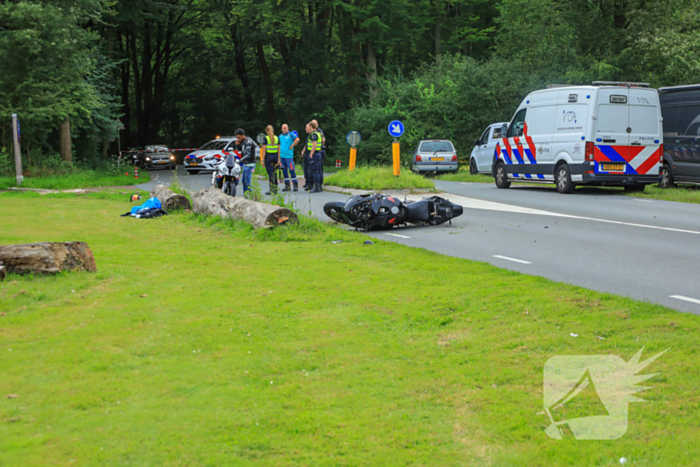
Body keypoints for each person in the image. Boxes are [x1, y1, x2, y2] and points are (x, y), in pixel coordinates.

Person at [233, 128, 256, 196]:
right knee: (243, 181)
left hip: (250, 164)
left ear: (243, 135)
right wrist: (237, 145)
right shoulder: (244, 142)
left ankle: (251, 197)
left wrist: (239, 161)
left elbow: (248, 155)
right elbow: (242, 151)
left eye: (239, 138)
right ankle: (246, 196)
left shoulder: (248, 142)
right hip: (246, 164)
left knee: (247, 182)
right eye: (237, 138)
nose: (238, 139)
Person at [278, 124, 300, 192]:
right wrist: (278, 158)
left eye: (285, 128)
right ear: (281, 129)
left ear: (288, 128)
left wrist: (292, 145)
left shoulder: (290, 134)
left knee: (291, 169)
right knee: (284, 170)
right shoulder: (280, 136)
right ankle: (287, 185)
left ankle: (295, 184)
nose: (284, 129)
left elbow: (297, 139)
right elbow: (278, 146)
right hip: (282, 156)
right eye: (283, 128)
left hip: (289, 156)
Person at [261, 125, 280, 195]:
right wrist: (279, 159)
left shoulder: (266, 138)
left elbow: (264, 150)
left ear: (266, 131)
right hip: (275, 157)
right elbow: (278, 149)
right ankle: (275, 188)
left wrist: (262, 160)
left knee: (270, 173)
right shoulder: (276, 138)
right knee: (275, 173)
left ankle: (271, 189)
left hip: (268, 157)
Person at [306, 122, 323, 193]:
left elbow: (314, 145)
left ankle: (316, 187)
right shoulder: (318, 133)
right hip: (318, 153)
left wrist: (311, 154)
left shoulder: (314, 134)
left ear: (311, 126)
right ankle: (318, 187)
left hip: (314, 154)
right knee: (318, 170)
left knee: (315, 171)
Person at [311, 119, 326, 188]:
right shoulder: (320, 131)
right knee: (319, 168)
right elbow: (323, 140)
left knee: (317, 169)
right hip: (320, 150)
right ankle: (319, 184)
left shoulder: (316, 132)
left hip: (318, 151)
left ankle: (318, 184)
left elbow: (323, 140)